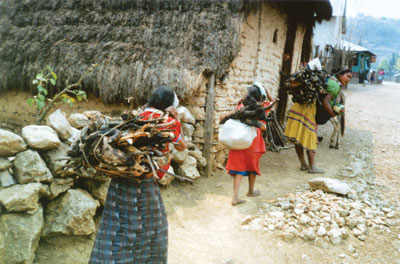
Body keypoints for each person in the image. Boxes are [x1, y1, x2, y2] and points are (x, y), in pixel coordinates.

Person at [89, 86, 186, 264]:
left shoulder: (135, 118)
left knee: (117, 223)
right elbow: (181, 146)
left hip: (120, 181)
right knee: (149, 226)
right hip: (145, 183)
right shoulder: (167, 121)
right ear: (169, 105)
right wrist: (177, 120)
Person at [284, 66, 352, 174]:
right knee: (311, 138)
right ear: (340, 75)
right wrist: (332, 113)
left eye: (350, 78)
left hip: (298, 107)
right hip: (308, 111)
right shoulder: (334, 85)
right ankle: (312, 167)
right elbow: (325, 103)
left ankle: (303, 164)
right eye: (347, 76)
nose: (348, 79)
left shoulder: (328, 79)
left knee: (298, 137)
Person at [223, 82, 275, 205]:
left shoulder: (241, 106)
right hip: (253, 142)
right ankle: (251, 191)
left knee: (238, 169)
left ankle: (235, 197)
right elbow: (273, 102)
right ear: (260, 97)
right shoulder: (262, 108)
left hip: (239, 140)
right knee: (252, 167)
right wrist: (266, 91)